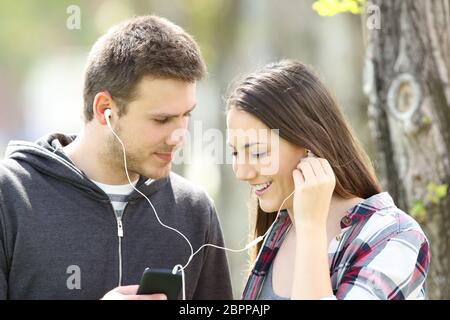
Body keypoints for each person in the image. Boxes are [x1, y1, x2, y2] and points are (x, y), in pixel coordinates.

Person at [0, 15, 232, 300]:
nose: (179, 136)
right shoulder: (10, 196)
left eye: (186, 115)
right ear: (104, 109)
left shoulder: (194, 210)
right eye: (162, 119)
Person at [226, 60, 430, 300]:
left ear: (310, 146)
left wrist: (311, 227)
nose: (242, 173)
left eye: (258, 153)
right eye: (235, 153)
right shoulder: (278, 233)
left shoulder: (393, 236)